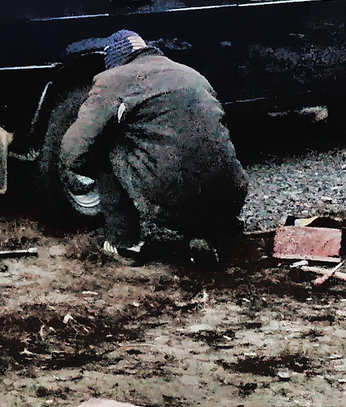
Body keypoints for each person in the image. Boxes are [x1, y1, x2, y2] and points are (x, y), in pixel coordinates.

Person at [58, 30, 249, 266]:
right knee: (197, 144)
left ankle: (124, 243)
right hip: (231, 195)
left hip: (172, 199)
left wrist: (87, 174)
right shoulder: (192, 75)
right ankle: (208, 232)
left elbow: (74, 150)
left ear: (115, 60)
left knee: (103, 143)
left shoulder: (113, 80)